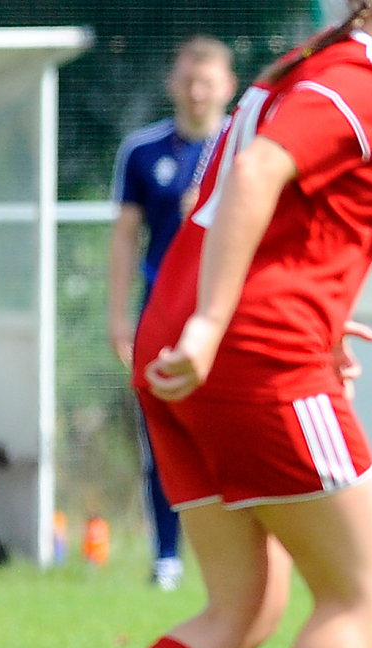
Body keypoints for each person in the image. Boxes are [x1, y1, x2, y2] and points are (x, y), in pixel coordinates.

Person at [19, 2, 372, 648]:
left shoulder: (304, 66)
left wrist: (295, 308)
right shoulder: (366, 80)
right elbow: (254, 178)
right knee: (364, 592)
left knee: (246, 603)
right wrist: (232, 321)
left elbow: (220, 208)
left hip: (180, 342)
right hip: (247, 352)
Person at [108, 35, 238, 590]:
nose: (197, 90)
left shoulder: (246, 147)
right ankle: (167, 555)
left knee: (233, 435)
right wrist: (118, 318)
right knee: (163, 436)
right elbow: (125, 237)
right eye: (188, 78)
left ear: (227, 86)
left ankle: (244, 552)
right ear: (173, 84)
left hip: (229, 311)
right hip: (162, 312)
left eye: (207, 80)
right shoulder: (143, 151)